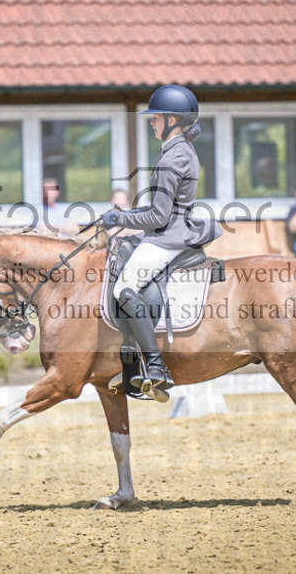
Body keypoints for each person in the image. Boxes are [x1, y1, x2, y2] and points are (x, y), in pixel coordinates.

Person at [100, 84, 222, 398]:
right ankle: (129, 369)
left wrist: (121, 219)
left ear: (171, 120)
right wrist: (127, 213)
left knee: (123, 288)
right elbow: (161, 208)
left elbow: (158, 217)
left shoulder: (173, 157)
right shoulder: (179, 151)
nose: (151, 123)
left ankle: (154, 366)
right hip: (172, 231)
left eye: (155, 118)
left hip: (169, 238)